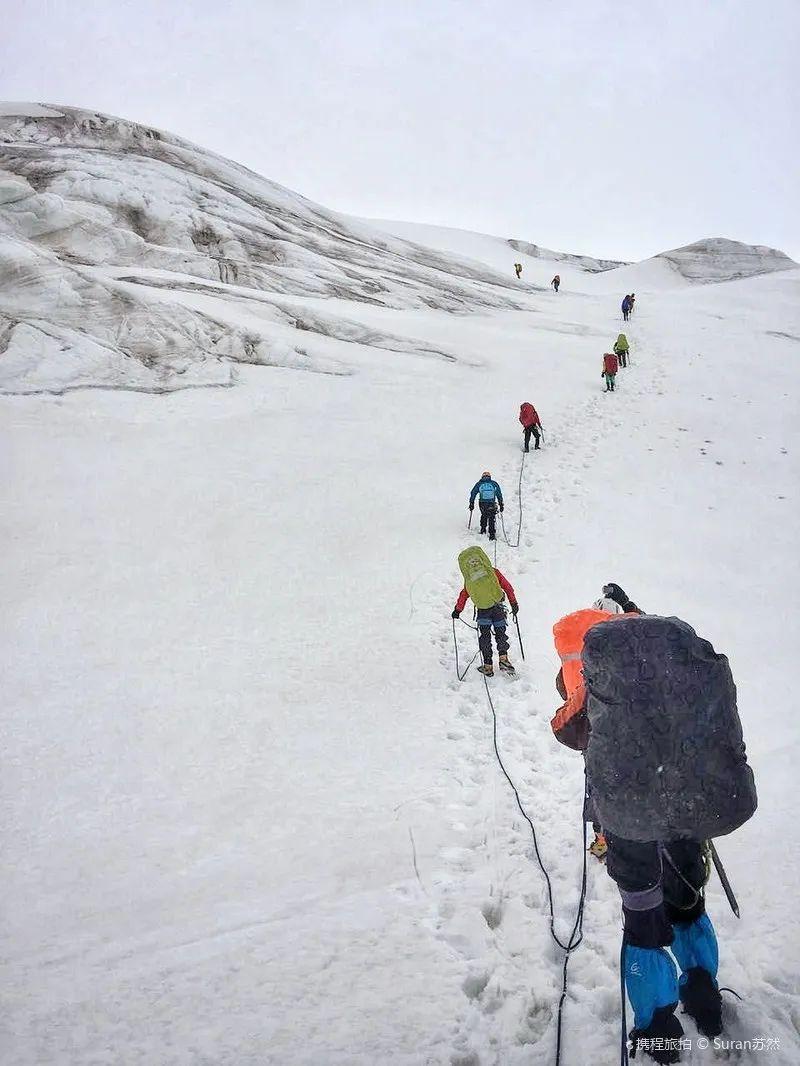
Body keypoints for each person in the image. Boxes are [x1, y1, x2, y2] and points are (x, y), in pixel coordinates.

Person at [550, 584, 757, 1064]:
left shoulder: (602, 674)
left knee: (643, 917)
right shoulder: (680, 662)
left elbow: (567, 728)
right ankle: (704, 993)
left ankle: (658, 1025)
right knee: (688, 902)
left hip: (630, 819)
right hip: (692, 807)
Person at [452, 562, 518, 676]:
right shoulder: (492, 572)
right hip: (498, 607)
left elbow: (464, 594)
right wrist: (513, 603)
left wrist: (458, 610)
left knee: (485, 637)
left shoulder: (470, 578)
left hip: (483, 611)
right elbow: (507, 586)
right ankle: (504, 660)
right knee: (500, 633)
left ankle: (488, 666)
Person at [469, 471, 503, 541]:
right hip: (491, 503)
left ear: (482, 477)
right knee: (491, 517)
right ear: (489, 477)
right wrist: (501, 503)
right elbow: (499, 493)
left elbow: (473, 493)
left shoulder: (479, 484)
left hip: (482, 503)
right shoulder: (494, 483)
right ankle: (492, 534)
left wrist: (471, 503)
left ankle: (483, 530)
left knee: (484, 515)